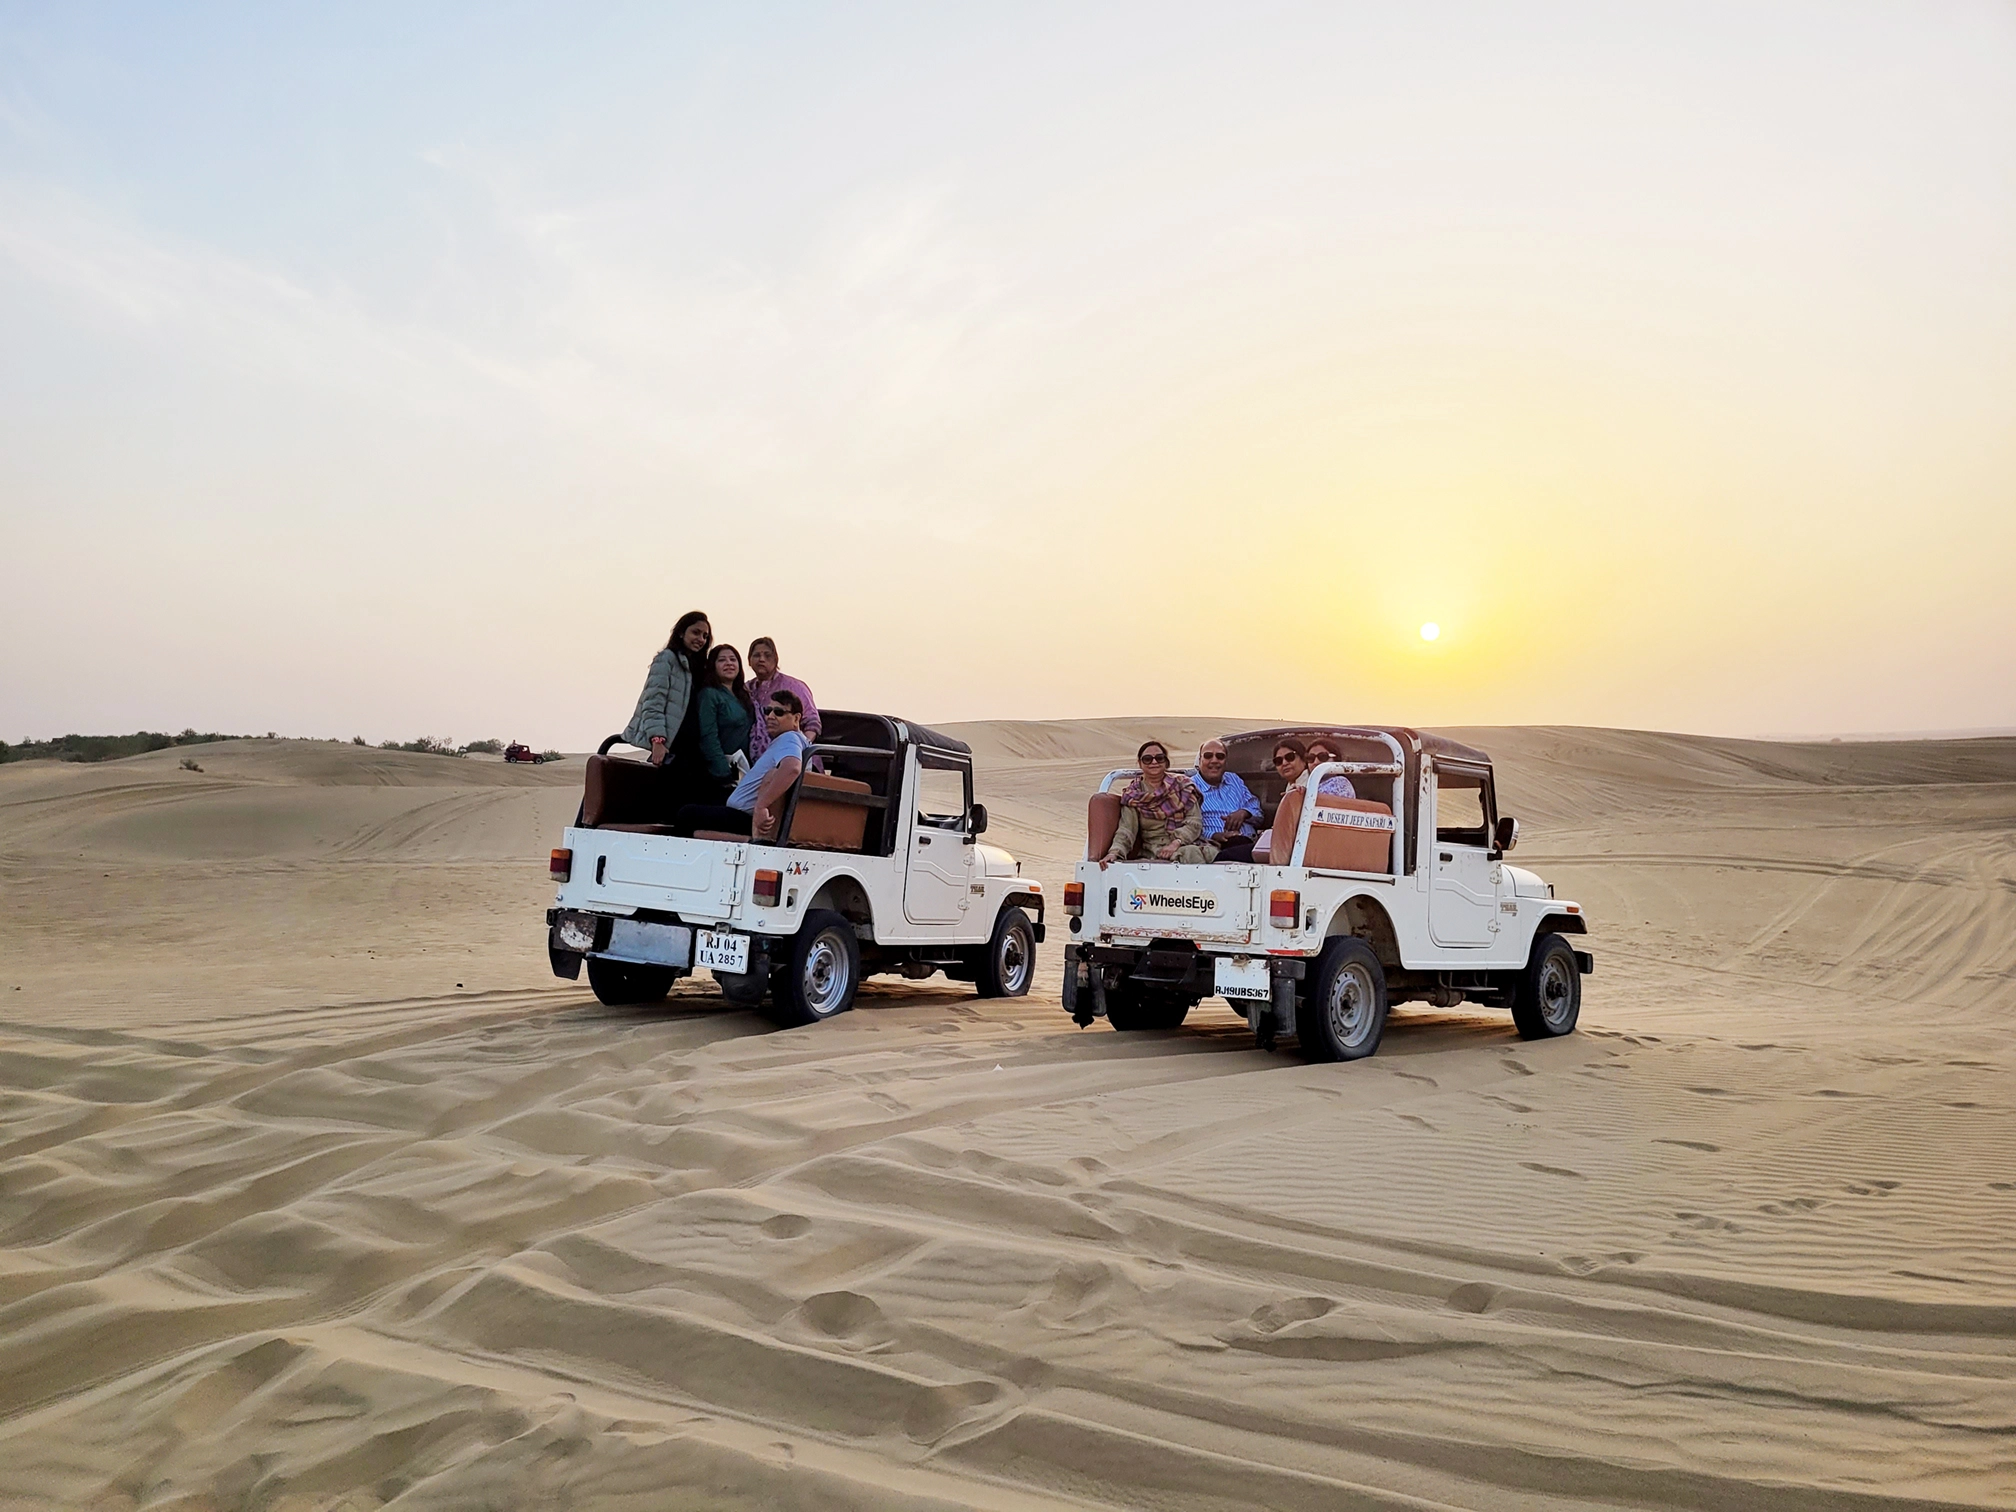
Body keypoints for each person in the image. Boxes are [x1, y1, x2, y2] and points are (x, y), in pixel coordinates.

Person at [674, 689, 809, 840]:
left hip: (747, 818)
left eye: (778, 712)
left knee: (686, 815)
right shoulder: (797, 742)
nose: (770, 716)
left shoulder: (789, 739)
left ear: (796, 718)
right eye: (768, 710)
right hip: (743, 813)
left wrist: (761, 806)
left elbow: (792, 768)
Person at [622, 612, 714, 815]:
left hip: (691, 746)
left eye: (705, 636)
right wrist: (657, 740)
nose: (700, 639)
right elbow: (653, 701)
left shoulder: (697, 666)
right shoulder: (667, 659)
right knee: (668, 802)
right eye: (696, 633)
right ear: (681, 632)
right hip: (671, 745)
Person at [1098, 740, 1206, 867]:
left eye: (1159, 758)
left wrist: (1176, 842)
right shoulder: (1134, 795)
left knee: (1192, 853)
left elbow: (1195, 823)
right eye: (1147, 759)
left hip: (1186, 843)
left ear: (1166, 762)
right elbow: (1126, 830)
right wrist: (1114, 852)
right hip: (1153, 850)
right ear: (1140, 763)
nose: (1154, 762)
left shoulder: (1183, 786)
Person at [695, 643, 756, 802]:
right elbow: (708, 736)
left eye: (733, 659)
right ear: (713, 666)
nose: (729, 663)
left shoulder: (744, 695)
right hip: (722, 775)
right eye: (722, 660)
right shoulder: (709, 695)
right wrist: (724, 773)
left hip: (746, 770)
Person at [746, 637, 822, 760]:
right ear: (749, 661)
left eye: (767, 655)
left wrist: (799, 751)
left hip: (793, 759)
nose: (761, 659)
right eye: (756, 655)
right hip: (756, 762)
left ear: (776, 660)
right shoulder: (747, 690)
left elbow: (812, 723)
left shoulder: (794, 686)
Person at [1192, 738, 1262, 863]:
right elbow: (1185, 826)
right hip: (1215, 847)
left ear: (1225, 761)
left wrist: (1244, 813)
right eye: (1208, 756)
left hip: (1251, 842)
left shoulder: (1234, 780)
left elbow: (1259, 814)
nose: (1214, 760)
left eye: (1220, 756)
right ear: (1199, 760)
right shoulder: (1189, 786)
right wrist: (1214, 835)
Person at [1252, 737, 1308, 859]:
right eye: (1278, 761)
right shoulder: (1291, 786)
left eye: (1290, 757)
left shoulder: (1310, 785)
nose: (1284, 763)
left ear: (1304, 759)